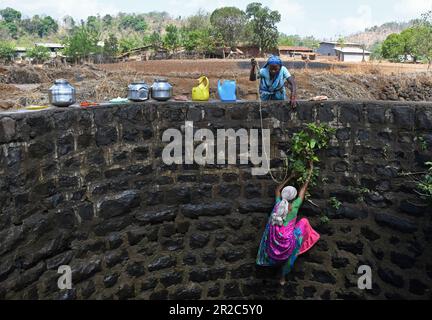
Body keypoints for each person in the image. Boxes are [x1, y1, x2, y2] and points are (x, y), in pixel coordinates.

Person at [256, 161, 320, 285]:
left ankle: (274, 265)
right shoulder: (295, 206)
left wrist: (290, 176)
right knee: (304, 222)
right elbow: (304, 188)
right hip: (288, 241)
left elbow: (277, 189)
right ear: (293, 197)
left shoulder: (278, 204)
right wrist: (310, 170)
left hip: (275, 240)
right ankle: (282, 277)